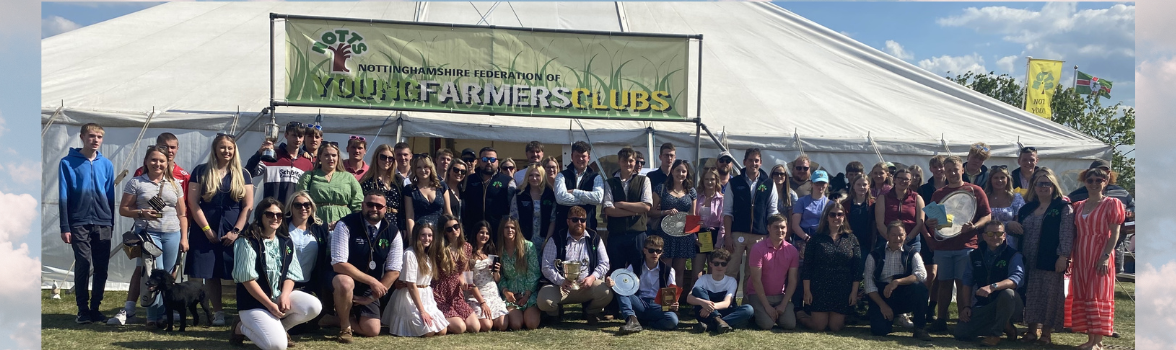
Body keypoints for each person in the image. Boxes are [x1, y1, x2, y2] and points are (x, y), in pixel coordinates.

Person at [110, 133, 193, 326]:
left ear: (167, 162)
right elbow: (123, 209)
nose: (158, 164)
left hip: (172, 233)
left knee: (168, 275)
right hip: (149, 234)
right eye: (154, 160)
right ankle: (152, 316)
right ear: (146, 162)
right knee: (153, 273)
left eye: (161, 161)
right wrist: (141, 212)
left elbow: (182, 213)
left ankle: (165, 313)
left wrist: (184, 238)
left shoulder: (175, 184)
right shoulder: (136, 182)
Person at [228, 198, 323, 350]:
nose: (275, 218)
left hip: (277, 298)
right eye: (269, 214)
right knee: (277, 346)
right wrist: (270, 305)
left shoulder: (285, 241)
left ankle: (280, 329)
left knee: (314, 306)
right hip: (253, 303)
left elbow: (291, 274)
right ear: (260, 216)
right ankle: (241, 327)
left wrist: (284, 295)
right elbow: (247, 280)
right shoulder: (247, 242)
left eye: (279, 215)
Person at [187, 133, 255, 326]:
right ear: (215, 149)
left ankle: (245, 312)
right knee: (211, 272)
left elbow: (248, 206)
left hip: (234, 227)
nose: (227, 151)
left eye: (230, 148)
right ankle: (218, 312)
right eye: (223, 147)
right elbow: (193, 202)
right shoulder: (201, 171)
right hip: (206, 226)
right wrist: (207, 229)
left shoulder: (243, 173)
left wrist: (236, 231)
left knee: (241, 271)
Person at [924, 155, 991, 333]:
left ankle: (963, 320)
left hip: (966, 245)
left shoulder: (975, 190)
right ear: (945, 173)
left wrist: (974, 226)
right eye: (949, 170)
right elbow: (933, 220)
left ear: (962, 169)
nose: (953, 173)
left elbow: (987, 215)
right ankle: (941, 320)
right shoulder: (938, 194)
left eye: (955, 169)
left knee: (964, 284)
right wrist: (931, 223)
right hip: (944, 246)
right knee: (944, 283)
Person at [1006, 172, 1073, 345]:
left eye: (1047, 183)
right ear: (1034, 187)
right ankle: (1031, 330)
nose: (1043, 187)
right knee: (1031, 295)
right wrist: (1010, 226)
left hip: (1050, 258)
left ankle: (1046, 333)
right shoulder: (1027, 208)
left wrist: (1063, 256)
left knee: (1049, 296)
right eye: (1039, 183)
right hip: (1028, 258)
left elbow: (1067, 234)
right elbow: (1017, 231)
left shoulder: (1063, 207)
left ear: (1054, 186)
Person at [59, 123, 116, 324]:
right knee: (83, 262)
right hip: (78, 221)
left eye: (99, 137)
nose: (95, 140)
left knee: (101, 266)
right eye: (91, 136)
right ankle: (82, 309)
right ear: (82, 137)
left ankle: (95, 309)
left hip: (103, 222)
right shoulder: (67, 163)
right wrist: (65, 226)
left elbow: (110, 196)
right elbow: (63, 195)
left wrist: (111, 223)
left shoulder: (106, 164)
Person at [329, 191, 403, 343]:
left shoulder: (393, 231)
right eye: (370, 204)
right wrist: (373, 281)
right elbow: (338, 264)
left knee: (372, 330)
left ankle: (331, 319)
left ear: (385, 209)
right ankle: (345, 327)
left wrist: (372, 297)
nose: (374, 209)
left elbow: (394, 270)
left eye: (379, 206)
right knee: (345, 282)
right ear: (362, 205)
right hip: (342, 279)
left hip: (368, 287)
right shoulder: (345, 224)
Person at [1067, 167, 1125, 350]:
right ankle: (1090, 339)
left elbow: (1115, 233)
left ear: (1105, 182)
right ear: (1085, 182)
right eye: (1090, 180)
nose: (1094, 183)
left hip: (1100, 252)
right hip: (1081, 254)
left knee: (1098, 293)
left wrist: (1106, 256)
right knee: (1084, 293)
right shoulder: (1079, 205)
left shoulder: (1112, 203)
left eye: (1099, 180)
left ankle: (1098, 341)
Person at [953, 221, 1024, 347]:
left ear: (1004, 236)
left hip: (1011, 304)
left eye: (999, 233)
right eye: (990, 234)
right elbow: (967, 281)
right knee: (961, 332)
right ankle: (1005, 325)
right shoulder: (974, 255)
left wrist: (993, 287)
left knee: (1008, 293)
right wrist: (966, 307)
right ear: (984, 236)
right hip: (986, 306)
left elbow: (1015, 280)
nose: (995, 237)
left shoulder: (1014, 255)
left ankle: (995, 335)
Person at [538, 206, 613, 324]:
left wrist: (592, 277)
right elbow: (546, 266)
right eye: (575, 220)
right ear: (568, 221)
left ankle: (590, 312)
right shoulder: (556, 238)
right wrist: (561, 281)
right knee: (543, 300)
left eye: (582, 220)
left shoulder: (595, 238)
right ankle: (555, 314)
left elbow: (604, 263)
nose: (579, 223)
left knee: (606, 292)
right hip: (560, 287)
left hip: (585, 286)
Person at [722, 148, 778, 295]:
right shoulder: (734, 183)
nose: (754, 163)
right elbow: (727, 212)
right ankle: (728, 303)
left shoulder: (769, 183)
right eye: (750, 160)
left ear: (761, 162)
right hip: (737, 233)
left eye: (756, 160)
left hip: (760, 235)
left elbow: (772, 212)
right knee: (731, 270)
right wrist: (728, 236)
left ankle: (749, 304)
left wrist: (770, 236)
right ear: (744, 162)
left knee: (753, 273)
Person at [798, 201, 862, 332]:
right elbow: (807, 267)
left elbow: (856, 268)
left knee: (835, 327)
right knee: (819, 326)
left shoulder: (851, 238)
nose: (836, 217)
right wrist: (807, 291)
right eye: (832, 214)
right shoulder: (816, 239)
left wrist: (854, 292)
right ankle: (800, 315)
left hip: (842, 288)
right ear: (826, 217)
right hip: (819, 287)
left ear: (844, 217)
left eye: (840, 214)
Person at [865, 221, 932, 340]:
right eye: (894, 235)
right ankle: (890, 319)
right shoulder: (875, 255)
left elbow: (922, 274)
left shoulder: (912, 253)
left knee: (920, 288)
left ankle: (920, 328)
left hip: (903, 293)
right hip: (883, 296)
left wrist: (897, 282)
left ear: (905, 235)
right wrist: (883, 305)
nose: (897, 238)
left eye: (901, 235)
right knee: (879, 330)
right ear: (887, 236)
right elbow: (869, 285)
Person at [1066, 159, 1135, 274]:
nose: (1095, 182)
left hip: (1117, 242)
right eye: (1096, 172)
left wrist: (1129, 212)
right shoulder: (1078, 194)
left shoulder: (1122, 192)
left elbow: (1134, 207)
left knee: (1112, 273)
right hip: (1084, 246)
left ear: (1109, 174)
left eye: (1104, 172)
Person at [384, 222, 450, 337]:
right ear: (417, 236)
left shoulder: (427, 255)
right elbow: (411, 285)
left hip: (426, 296)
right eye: (423, 235)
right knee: (428, 332)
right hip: (410, 297)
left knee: (442, 331)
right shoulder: (410, 254)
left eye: (430, 235)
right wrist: (422, 311)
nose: (427, 238)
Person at [282, 191, 334, 334]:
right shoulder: (282, 227)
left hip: (309, 283)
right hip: (283, 282)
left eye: (307, 205)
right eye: (298, 205)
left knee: (310, 320)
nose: (303, 208)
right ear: (291, 207)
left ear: (312, 207)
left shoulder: (321, 228)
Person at [609, 235, 680, 334]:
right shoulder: (634, 265)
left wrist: (674, 304)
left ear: (661, 252)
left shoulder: (668, 270)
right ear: (644, 251)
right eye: (651, 250)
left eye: (658, 251)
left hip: (658, 306)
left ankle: (645, 323)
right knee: (621, 290)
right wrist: (612, 283)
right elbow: (622, 282)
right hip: (639, 303)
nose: (655, 254)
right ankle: (631, 320)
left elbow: (672, 294)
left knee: (673, 321)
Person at [650, 159, 696, 302]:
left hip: (684, 236)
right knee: (666, 270)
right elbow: (650, 211)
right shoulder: (661, 188)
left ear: (687, 173)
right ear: (672, 171)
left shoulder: (691, 191)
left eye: (684, 171)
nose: (680, 174)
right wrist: (665, 212)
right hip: (665, 235)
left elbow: (693, 215)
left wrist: (693, 234)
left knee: (679, 271)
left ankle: (674, 303)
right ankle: (664, 302)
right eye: (678, 170)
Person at [604, 146, 652, 279]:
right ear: (619, 162)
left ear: (635, 162)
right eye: (624, 161)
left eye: (631, 161)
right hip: (616, 234)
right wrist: (634, 212)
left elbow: (646, 206)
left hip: (637, 235)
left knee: (637, 272)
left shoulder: (644, 180)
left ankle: (637, 294)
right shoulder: (610, 182)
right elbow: (608, 210)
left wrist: (621, 205)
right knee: (616, 272)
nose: (628, 164)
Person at [744, 215, 800, 330]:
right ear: (768, 228)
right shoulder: (758, 248)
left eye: (783, 227)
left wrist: (783, 304)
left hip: (780, 296)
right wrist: (767, 307)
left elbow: (792, 280)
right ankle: (757, 311)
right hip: (758, 295)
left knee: (789, 324)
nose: (780, 230)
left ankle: (779, 312)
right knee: (767, 324)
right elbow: (756, 280)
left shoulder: (793, 251)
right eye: (776, 227)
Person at [687, 248, 754, 333]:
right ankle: (719, 321)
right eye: (716, 263)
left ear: (727, 265)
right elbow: (689, 298)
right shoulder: (703, 279)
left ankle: (710, 326)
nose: (720, 266)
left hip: (719, 311)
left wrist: (709, 307)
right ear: (710, 264)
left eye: (723, 264)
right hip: (704, 314)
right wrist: (703, 303)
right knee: (697, 289)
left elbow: (726, 303)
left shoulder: (731, 281)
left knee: (749, 309)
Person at [434, 215, 481, 334]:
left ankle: (453, 319)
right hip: (439, 293)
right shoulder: (438, 248)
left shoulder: (467, 247)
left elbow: (464, 272)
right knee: (460, 328)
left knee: (475, 327)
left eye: (456, 226)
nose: (454, 230)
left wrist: (466, 282)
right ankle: (440, 318)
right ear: (444, 232)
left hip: (456, 294)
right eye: (449, 229)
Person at [296, 142, 363, 226]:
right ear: (320, 157)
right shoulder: (309, 176)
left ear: (338, 157)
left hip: (343, 222)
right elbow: (301, 199)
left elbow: (358, 202)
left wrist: (353, 221)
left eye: (334, 155)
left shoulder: (348, 177)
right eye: (326, 155)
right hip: (316, 221)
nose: (331, 158)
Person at [461, 147, 517, 243]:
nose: (489, 162)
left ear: (497, 162)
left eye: (492, 159)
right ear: (479, 161)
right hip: (473, 232)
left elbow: (513, 210)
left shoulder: (507, 181)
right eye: (485, 159)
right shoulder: (469, 180)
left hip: (498, 233)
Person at [497, 218, 542, 330]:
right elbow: (500, 275)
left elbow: (534, 272)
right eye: (506, 227)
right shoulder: (499, 250)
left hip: (529, 293)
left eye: (513, 227)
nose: (510, 230)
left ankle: (536, 313)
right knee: (516, 325)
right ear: (502, 230)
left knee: (531, 324)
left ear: (517, 229)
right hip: (511, 295)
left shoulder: (528, 246)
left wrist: (526, 295)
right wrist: (506, 291)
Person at [917, 155, 946, 322]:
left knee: (942, 277)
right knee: (930, 274)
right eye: (935, 167)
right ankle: (921, 306)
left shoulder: (953, 187)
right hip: (928, 236)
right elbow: (920, 217)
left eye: (941, 166)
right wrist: (928, 238)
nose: (939, 170)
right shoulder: (924, 189)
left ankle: (932, 308)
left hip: (949, 236)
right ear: (930, 169)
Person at [466, 221, 509, 331]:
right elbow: (469, 282)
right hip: (476, 295)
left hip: (492, 293)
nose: (484, 236)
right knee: (487, 325)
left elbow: (497, 279)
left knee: (502, 325)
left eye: (487, 233)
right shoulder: (468, 253)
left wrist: (496, 272)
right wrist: (482, 302)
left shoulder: (491, 251)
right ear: (475, 233)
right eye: (481, 232)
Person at [554, 141, 604, 234]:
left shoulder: (596, 177)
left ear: (588, 158)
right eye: (577, 156)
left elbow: (598, 198)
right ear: (572, 157)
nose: (580, 159)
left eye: (583, 156)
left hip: (588, 228)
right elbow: (560, 198)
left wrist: (575, 192)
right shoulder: (561, 175)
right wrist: (588, 200)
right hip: (564, 229)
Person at [875, 168, 925, 254]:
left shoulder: (917, 198)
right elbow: (880, 224)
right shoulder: (883, 198)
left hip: (911, 241)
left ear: (910, 181)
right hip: (887, 240)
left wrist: (907, 239)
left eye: (906, 179)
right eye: (900, 178)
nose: (903, 181)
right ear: (894, 179)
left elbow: (920, 223)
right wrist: (892, 239)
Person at [359, 144, 405, 233]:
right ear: (376, 158)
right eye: (383, 157)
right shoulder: (368, 181)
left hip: (395, 222)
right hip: (375, 222)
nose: (387, 160)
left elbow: (403, 206)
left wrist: (403, 227)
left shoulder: (397, 180)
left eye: (390, 158)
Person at [404, 156, 453, 239]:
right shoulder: (410, 189)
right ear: (415, 170)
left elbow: (448, 212)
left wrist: (451, 234)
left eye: (426, 167)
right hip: (421, 234)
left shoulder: (441, 186)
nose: (423, 170)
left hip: (440, 233)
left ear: (431, 168)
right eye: (419, 167)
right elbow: (410, 216)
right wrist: (412, 239)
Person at [791, 169, 831, 264]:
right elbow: (795, 225)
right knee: (801, 267)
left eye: (823, 184)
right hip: (803, 238)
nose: (820, 186)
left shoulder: (830, 204)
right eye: (817, 183)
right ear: (811, 183)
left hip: (822, 238)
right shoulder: (802, 201)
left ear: (827, 184)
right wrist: (806, 237)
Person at [516, 164, 557, 249]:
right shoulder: (520, 195)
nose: (534, 178)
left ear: (543, 176)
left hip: (544, 240)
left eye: (537, 175)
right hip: (524, 240)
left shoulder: (550, 195)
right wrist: (519, 239)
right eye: (531, 175)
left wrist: (547, 241)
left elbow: (553, 220)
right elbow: (514, 218)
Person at [695, 169, 726, 278]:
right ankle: (696, 289)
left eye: (712, 179)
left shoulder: (722, 199)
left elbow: (723, 224)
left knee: (712, 273)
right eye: (706, 179)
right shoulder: (697, 197)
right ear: (702, 180)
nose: (709, 182)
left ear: (716, 181)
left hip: (715, 235)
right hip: (699, 235)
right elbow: (691, 216)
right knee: (696, 273)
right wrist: (694, 237)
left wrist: (718, 243)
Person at [985, 166, 1025, 249]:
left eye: (1002, 177)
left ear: (1008, 179)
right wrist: (1007, 225)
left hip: (1009, 242)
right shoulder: (984, 197)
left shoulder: (1016, 197)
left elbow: (1021, 220)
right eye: (996, 178)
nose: (999, 180)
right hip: (988, 240)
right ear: (990, 180)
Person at [844, 176, 875, 268]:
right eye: (858, 184)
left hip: (866, 244)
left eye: (864, 184)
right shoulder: (845, 204)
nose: (862, 187)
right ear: (853, 186)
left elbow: (874, 226)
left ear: (868, 186)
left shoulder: (873, 204)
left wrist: (873, 245)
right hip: (848, 243)